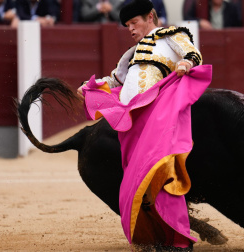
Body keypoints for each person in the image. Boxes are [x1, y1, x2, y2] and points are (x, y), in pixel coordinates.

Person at [77, 0, 211, 250]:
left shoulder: (171, 36)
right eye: (127, 24)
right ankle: (157, 237)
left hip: (157, 118)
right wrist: (90, 87)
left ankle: (180, 241)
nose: (130, 28)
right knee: (139, 182)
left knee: (161, 174)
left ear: (150, 16)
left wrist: (186, 64)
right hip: (132, 125)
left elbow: (193, 54)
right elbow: (115, 81)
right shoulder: (131, 54)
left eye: (134, 22)